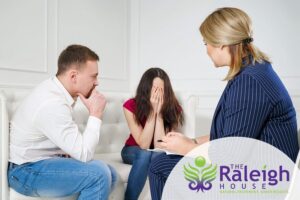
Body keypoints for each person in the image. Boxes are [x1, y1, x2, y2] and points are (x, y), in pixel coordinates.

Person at [148, 7, 299, 200]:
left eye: (206, 43)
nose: (207, 50)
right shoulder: (256, 71)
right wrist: (193, 142)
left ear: (221, 43)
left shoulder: (249, 82)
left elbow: (230, 159)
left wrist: (186, 148)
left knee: (160, 167)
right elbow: (234, 133)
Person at [8, 44, 117, 199]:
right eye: (93, 76)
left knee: (111, 172)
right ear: (73, 76)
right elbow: (84, 154)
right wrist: (96, 113)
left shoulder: (57, 93)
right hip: (25, 172)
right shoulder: (52, 103)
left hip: (41, 163)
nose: (97, 82)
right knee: (99, 174)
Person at [121, 67, 184, 200]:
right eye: (155, 89)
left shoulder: (174, 107)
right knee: (145, 153)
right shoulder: (131, 105)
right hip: (132, 150)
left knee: (159, 158)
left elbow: (160, 147)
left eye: (161, 90)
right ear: (146, 88)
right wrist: (152, 113)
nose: (158, 94)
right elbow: (143, 144)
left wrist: (159, 113)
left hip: (156, 151)